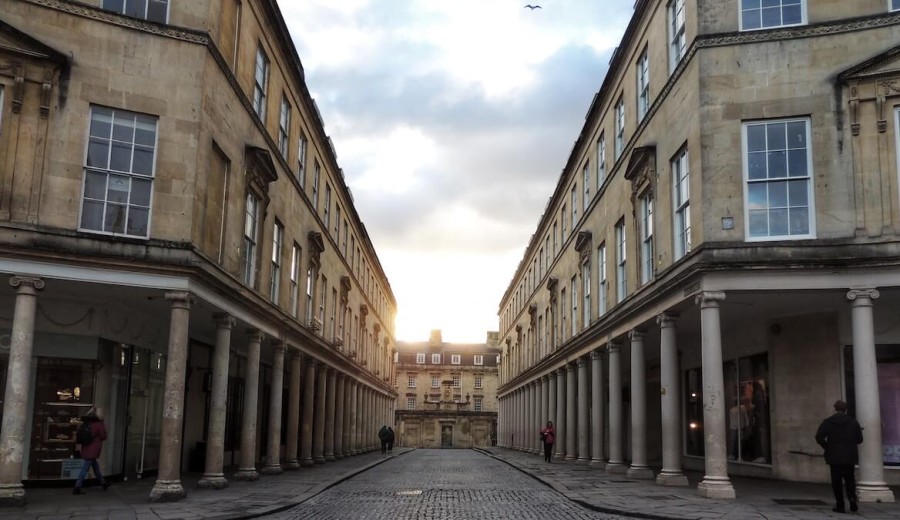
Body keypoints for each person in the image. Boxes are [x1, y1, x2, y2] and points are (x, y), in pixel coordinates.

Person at [815, 399, 863, 514]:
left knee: (836, 481)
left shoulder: (828, 422)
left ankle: (840, 505)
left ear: (835, 409)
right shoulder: (853, 422)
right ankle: (852, 499)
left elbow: (819, 437)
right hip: (849, 456)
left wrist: (827, 447)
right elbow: (860, 439)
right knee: (850, 479)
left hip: (834, 456)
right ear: (846, 410)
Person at [73, 408, 109, 494]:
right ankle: (77, 486)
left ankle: (103, 483)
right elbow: (103, 436)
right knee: (85, 469)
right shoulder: (99, 424)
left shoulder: (86, 422)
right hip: (94, 449)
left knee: (96, 468)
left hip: (86, 448)